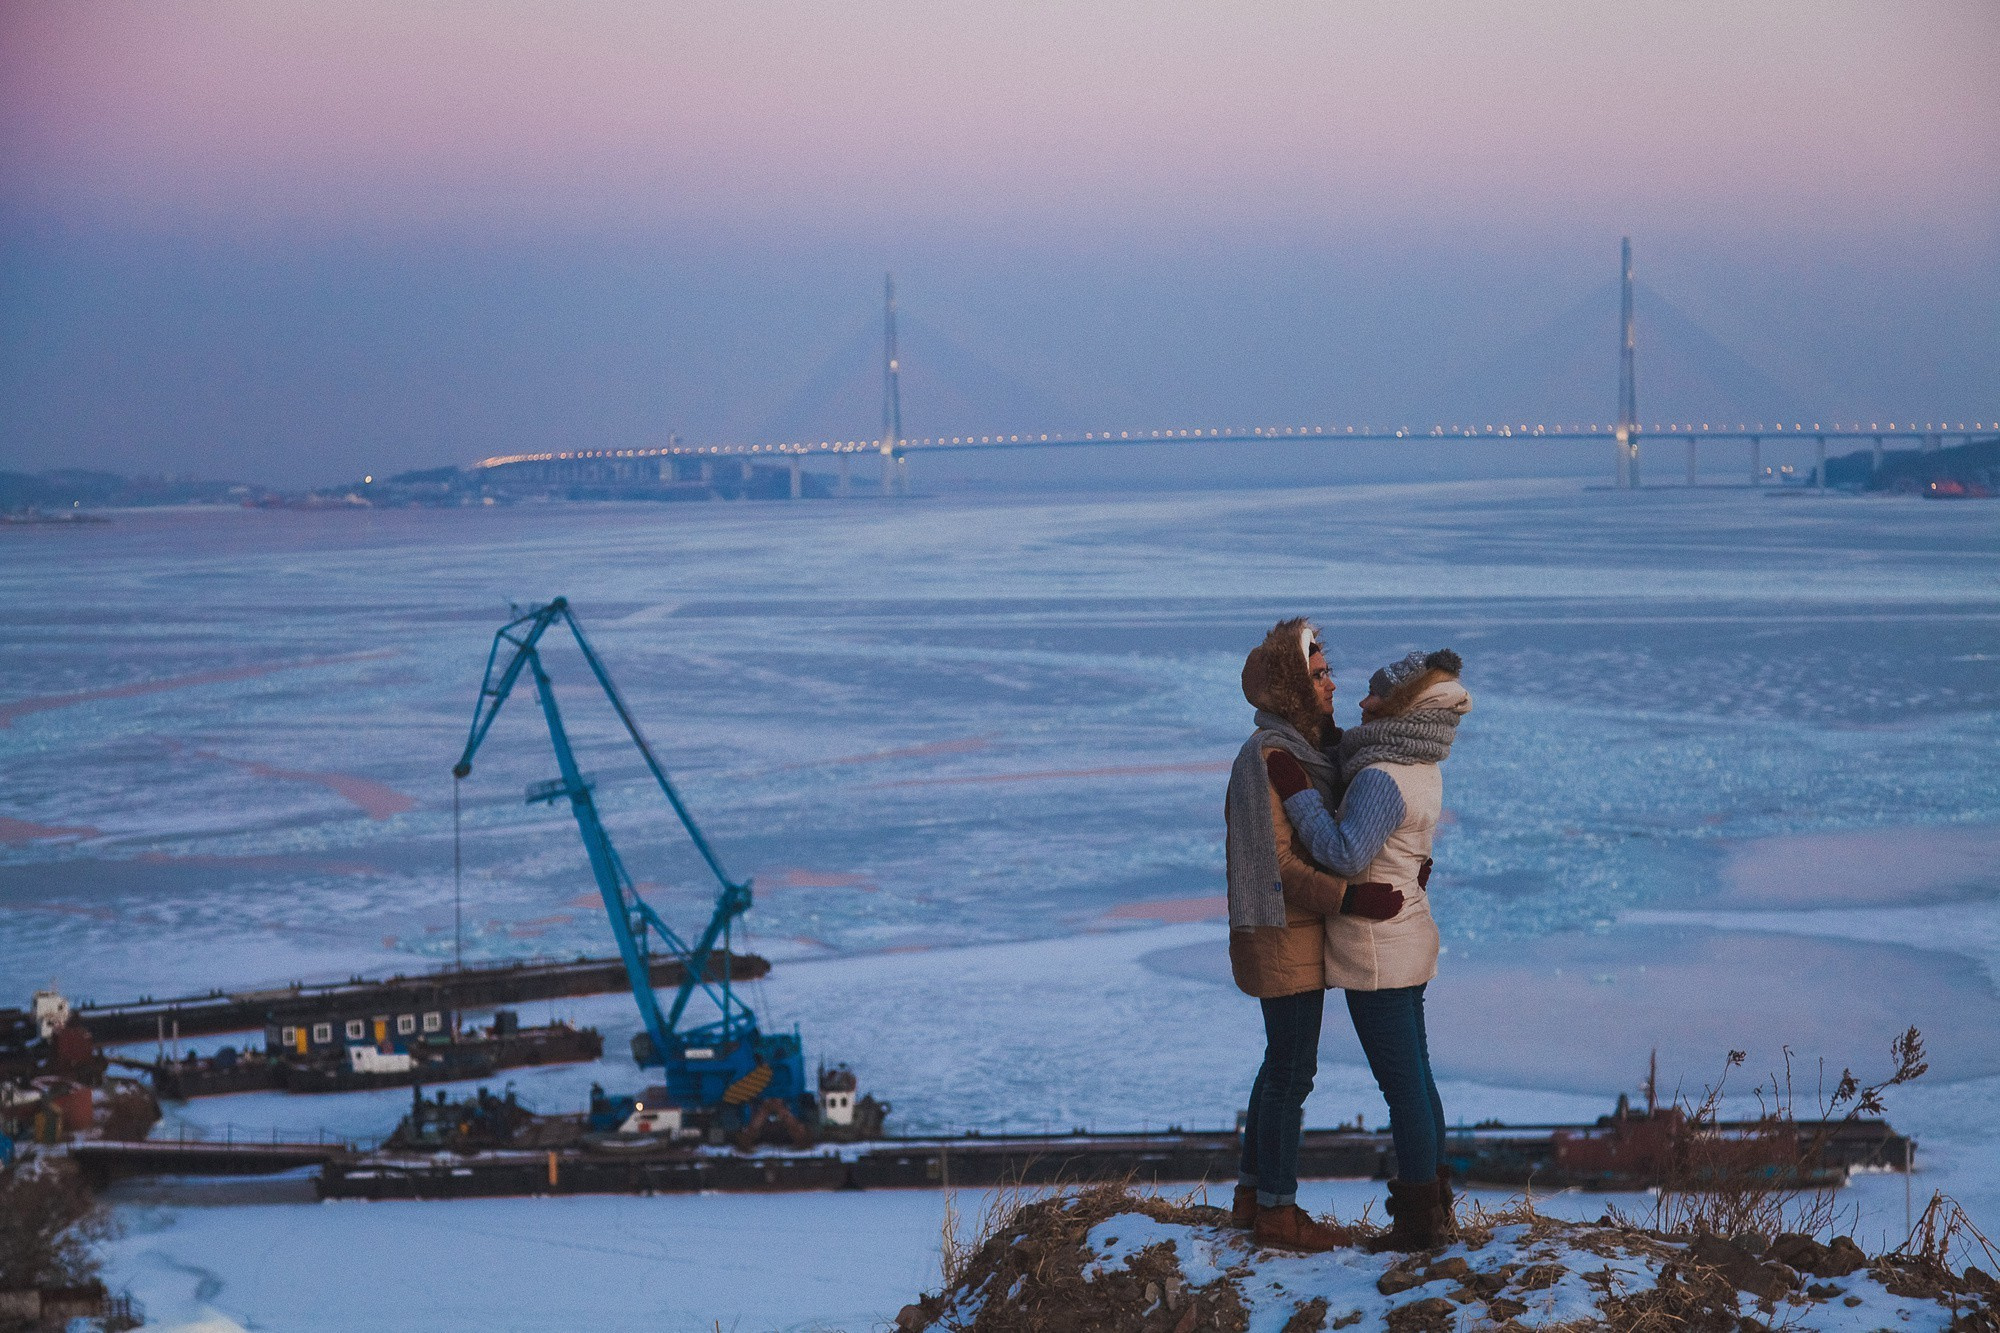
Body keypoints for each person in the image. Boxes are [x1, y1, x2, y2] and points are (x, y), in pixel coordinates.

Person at [1264, 647, 1470, 1251]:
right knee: (1418, 1077)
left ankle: (1417, 1225)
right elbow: (1411, 849)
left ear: (1401, 706)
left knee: (1401, 1085)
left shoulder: (1381, 775)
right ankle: (1433, 1208)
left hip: (1377, 947)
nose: (1360, 700)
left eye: (1375, 695)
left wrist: (1299, 794)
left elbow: (1348, 854)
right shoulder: (1422, 763)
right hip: (1410, 932)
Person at [1224, 618, 1377, 1252]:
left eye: (1328, 671)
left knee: (1279, 1064)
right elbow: (1279, 866)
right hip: (1280, 930)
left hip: (1291, 930)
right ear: (1291, 687)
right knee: (1293, 1070)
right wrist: (1348, 895)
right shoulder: (1271, 759)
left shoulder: (1302, 751)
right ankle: (1278, 1213)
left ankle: (1253, 1194)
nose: (1332, 685)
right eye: (1317, 676)